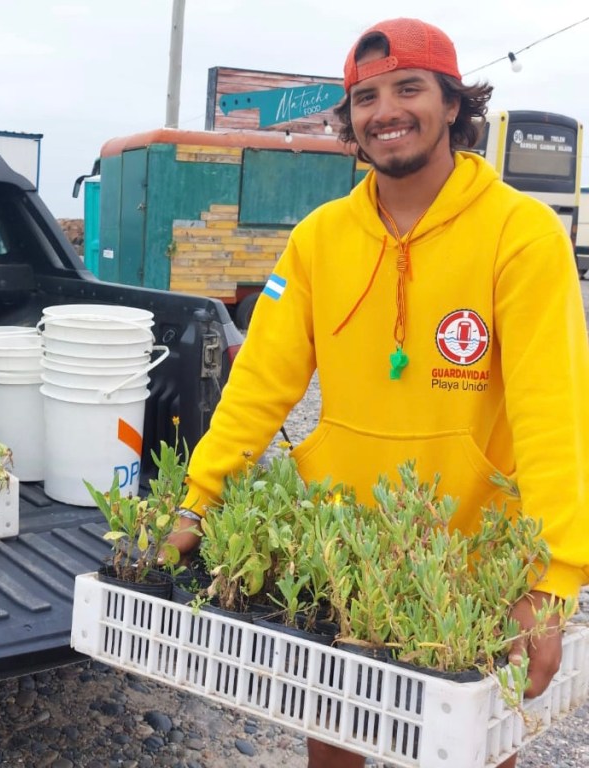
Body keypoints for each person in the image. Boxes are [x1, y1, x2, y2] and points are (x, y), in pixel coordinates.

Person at [169, 18, 589, 768]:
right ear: (350, 120)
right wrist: (194, 503)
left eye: (408, 88)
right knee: (336, 739)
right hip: (346, 549)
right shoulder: (317, 239)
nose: (385, 110)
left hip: (473, 561)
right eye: (365, 97)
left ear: (454, 103)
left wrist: (553, 583)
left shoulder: (520, 235)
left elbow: (552, 415)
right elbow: (259, 387)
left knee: (474, 751)